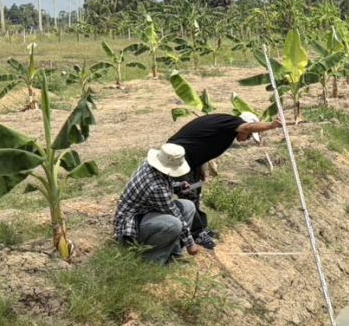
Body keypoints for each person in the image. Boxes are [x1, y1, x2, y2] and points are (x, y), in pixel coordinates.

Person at [166, 111, 282, 249]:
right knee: (188, 193)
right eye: (249, 135)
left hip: (190, 159)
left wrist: (199, 168)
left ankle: (200, 228)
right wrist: (271, 125)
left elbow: (201, 143)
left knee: (195, 190)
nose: (248, 138)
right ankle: (195, 234)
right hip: (178, 156)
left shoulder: (226, 130)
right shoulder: (231, 122)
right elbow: (247, 127)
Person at [113, 142, 207, 264]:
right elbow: (174, 212)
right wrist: (190, 243)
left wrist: (178, 187)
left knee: (188, 207)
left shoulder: (151, 166)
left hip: (146, 212)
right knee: (174, 224)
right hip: (130, 225)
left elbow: (164, 185)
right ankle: (153, 261)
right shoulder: (156, 187)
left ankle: (174, 253)